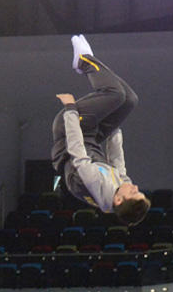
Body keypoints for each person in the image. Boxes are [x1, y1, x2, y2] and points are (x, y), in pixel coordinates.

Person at [51, 34, 151, 225]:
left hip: (70, 130)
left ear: (119, 200)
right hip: (91, 136)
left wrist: (70, 110)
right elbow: (117, 160)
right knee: (129, 100)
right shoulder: (120, 189)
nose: (135, 186)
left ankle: (84, 62)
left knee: (115, 95)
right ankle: (89, 60)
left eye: (134, 192)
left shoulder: (93, 186)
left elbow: (76, 151)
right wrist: (115, 123)